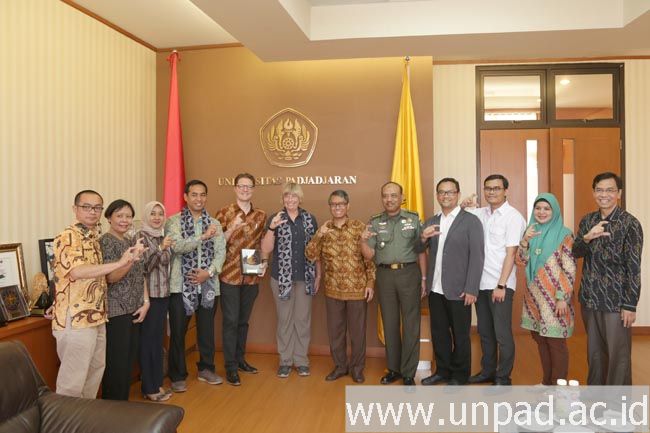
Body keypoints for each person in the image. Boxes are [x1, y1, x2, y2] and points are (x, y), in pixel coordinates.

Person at [51, 190, 141, 398]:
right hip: (76, 319)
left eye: (97, 207)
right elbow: (76, 272)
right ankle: (66, 419)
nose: (92, 212)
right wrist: (119, 263)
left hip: (97, 316)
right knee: (72, 384)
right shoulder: (68, 236)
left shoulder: (93, 238)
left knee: (93, 375)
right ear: (75, 209)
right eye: (86, 207)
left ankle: (86, 417)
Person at [573, 172, 643, 385]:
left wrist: (630, 304)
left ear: (619, 193)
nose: (604, 194)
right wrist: (587, 237)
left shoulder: (630, 224)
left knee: (618, 356)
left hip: (616, 302)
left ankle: (617, 402)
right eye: (599, 190)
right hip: (590, 298)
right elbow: (576, 252)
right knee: (594, 354)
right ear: (594, 192)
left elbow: (634, 267)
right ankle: (596, 399)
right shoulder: (588, 220)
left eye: (610, 190)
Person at [359, 181, 427, 386]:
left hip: (409, 274)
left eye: (393, 195)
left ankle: (408, 372)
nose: (389, 199)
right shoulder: (374, 222)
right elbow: (369, 255)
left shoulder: (413, 219)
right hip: (385, 275)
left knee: (411, 324)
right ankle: (394, 369)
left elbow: (421, 251)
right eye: (385, 196)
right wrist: (362, 241)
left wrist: (424, 278)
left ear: (401, 197)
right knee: (389, 323)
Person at [305, 190, 375, 383]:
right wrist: (319, 236)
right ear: (330, 207)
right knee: (335, 332)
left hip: (357, 289)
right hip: (333, 289)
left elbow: (369, 259)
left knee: (358, 333)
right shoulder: (324, 229)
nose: (337, 207)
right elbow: (310, 255)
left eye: (341, 204)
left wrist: (370, 282)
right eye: (334, 204)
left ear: (347, 206)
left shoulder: (359, 227)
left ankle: (357, 369)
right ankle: (340, 366)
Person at [463, 174, 526, 386]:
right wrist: (463, 205)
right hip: (480, 284)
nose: (492, 192)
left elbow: (511, 254)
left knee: (502, 334)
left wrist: (501, 285)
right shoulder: (480, 213)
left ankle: (503, 376)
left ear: (506, 191)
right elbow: (457, 217)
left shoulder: (513, 217)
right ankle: (487, 371)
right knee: (485, 332)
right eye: (488, 188)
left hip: (500, 285)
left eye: (497, 188)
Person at [420, 178, 484, 386]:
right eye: (441, 192)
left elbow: (477, 257)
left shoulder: (471, 221)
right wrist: (422, 238)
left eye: (450, 192)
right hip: (435, 288)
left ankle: (460, 375)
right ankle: (442, 371)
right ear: (437, 195)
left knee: (460, 334)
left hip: (459, 289)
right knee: (439, 333)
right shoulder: (432, 221)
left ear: (457, 194)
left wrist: (472, 288)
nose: (445, 196)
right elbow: (418, 250)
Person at [165, 179, 226, 392]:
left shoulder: (215, 223)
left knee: (206, 331)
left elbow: (220, 253)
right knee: (178, 332)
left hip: (208, 287)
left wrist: (208, 273)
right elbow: (177, 247)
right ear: (186, 197)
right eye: (194, 194)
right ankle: (177, 375)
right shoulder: (173, 222)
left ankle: (206, 369)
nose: (199, 199)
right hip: (180, 287)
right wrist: (202, 236)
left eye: (202, 195)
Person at [516, 193, 576, 386]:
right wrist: (525, 241)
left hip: (555, 297)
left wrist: (562, 297)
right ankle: (547, 383)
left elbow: (569, 269)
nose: (541, 212)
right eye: (538, 208)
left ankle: (559, 387)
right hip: (534, 295)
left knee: (556, 342)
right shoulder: (531, 232)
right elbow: (521, 261)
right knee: (541, 338)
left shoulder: (564, 235)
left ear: (554, 211)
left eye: (547, 208)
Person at [261, 182, 319, 378]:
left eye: (294, 196)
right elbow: (266, 249)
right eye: (287, 196)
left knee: (302, 321)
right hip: (281, 278)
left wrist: (318, 275)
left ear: (300, 199)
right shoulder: (275, 218)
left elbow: (315, 250)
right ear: (283, 199)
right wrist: (271, 228)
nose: (290, 199)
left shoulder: (310, 219)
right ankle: (285, 361)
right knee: (284, 320)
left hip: (305, 277)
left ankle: (301, 361)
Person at [215, 173, 267, 386]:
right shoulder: (224, 212)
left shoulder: (261, 215)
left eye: (249, 186)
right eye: (241, 186)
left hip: (251, 274)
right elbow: (216, 244)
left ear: (253, 189)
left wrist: (264, 262)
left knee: (243, 321)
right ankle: (230, 367)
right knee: (230, 321)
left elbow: (262, 242)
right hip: (229, 274)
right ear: (235, 188)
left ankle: (240, 360)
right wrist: (232, 228)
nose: (245, 189)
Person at [99, 199, 148, 401]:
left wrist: (146, 302)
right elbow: (111, 277)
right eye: (119, 215)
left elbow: (140, 274)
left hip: (134, 309)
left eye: (128, 216)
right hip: (117, 310)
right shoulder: (106, 242)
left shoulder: (129, 241)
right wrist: (130, 260)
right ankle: (113, 408)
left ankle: (122, 405)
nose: (124, 220)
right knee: (116, 364)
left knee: (128, 362)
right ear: (109, 218)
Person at [138, 201, 173, 401]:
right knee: (149, 342)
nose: (157, 217)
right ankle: (149, 387)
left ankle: (157, 383)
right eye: (153, 213)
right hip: (148, 297)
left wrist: (162, 245)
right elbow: (143, 267)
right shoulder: (140, 236)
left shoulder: (162, 235)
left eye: (160, 213)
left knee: (158, 341)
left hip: (163, 295)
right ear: (146, 216)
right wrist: (160, 248)